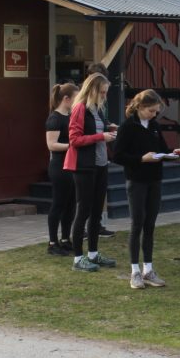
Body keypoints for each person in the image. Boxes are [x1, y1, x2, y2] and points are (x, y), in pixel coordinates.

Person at [113, 89, 180, 289]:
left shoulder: (154, 125)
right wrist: (140, 159)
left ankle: (148, 269)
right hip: (136, 180)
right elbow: (117, 155)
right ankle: (135, 271)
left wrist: (173, 153)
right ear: (140, 107)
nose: (154, 115)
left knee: (150, 225)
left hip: (155, 179)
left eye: (156, 111)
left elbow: (161, 149)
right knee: (137, 224)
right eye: (151, 111)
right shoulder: (128, 126)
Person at [64, 72, 119, 271]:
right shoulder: (80, 108)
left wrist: (109, 130)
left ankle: (93, 254)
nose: (104, 96)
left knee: (97, 212)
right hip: (84, 166)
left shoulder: (97, 109)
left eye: (106, 92)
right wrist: (101, 136)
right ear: (93, 90)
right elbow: (74, 140)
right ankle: (78, 258)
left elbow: (97, 131)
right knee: (84, 211)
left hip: (101, 165)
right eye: (102, 92)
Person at [85, 62, 119, 238]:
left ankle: (96, 226)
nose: (104, 94)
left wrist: (110, 126)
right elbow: (78, 136)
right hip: (87, 158)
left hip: (101, 155)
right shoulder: (82, 105)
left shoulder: (100, 103)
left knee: (99, 196)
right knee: (85, 197)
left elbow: (101, 122)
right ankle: (82, 229)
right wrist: (101, 135)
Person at [45, 82, 78, 256]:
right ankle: (52, 243)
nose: (77, 101)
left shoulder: (71, 116)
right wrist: (72, 145)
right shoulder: (55, 118)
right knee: (58, 203)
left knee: (71, 204)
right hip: (59, 166)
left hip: (72, 165)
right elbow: (51, 145)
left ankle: (65, 239)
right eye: (75, 98)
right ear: (66, 99)